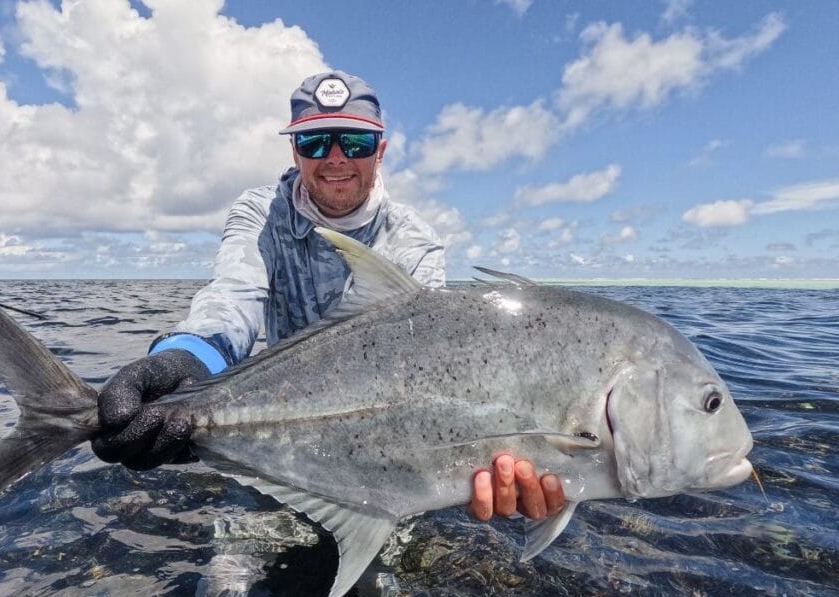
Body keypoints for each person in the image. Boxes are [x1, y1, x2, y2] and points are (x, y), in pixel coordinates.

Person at [91, 70, 565, 523]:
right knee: (224, 582)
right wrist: (188, 359)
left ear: (379, 151)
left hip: (380, 449)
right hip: (270, 439)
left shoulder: (414, 241)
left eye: (354, 141)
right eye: (315, 141)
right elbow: (235, 295)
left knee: (382, 594)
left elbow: (426, 362)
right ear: (295, 151)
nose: (335, 158)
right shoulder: (262, 213)